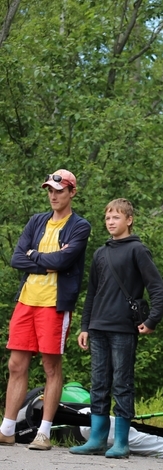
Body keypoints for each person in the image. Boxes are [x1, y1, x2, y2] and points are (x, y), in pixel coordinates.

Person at [0, 170, 91, 450]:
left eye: (59, 191)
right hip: (27, 300)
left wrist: (35, 256)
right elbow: (17, 258)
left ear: (72, 192)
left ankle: (44, 433)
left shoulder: (80, 226)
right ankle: (7, 429)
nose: (53, 196)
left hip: (55, 304)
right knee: (16, 364)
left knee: (51, 366)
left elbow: (64, 260)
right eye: (50, 191)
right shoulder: (37, 221)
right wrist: (45, 261)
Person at [69, 198, 163, 459]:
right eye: (108, 218)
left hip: (123, 328)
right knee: (99, 383)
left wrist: (153, 319)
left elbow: (157, 287)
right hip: (98, 327)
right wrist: (85, 326)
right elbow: (91, 293)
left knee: (122, 383)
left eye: (116, 218)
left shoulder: (138, 250)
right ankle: (97, 438)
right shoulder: (101, 253)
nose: (111, 222)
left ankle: (121, 442)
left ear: (129, 220)